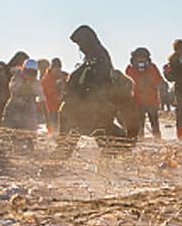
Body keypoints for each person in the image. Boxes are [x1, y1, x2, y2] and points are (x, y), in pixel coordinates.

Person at [57, 25, 139, 156]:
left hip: (77, 112)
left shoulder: (99, 58)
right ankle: (104, 169)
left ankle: (103, 169)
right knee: (117, 143)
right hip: (84, 112)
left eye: (81, 44)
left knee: (65, 148)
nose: (80, 48)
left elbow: (128, 119)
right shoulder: (94, 59)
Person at [2, 59, 44, 148]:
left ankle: (30, 143)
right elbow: (13, 88)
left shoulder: (35, 82)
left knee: (30, 125)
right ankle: (13, 145)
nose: (31, 75)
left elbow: (40, 94)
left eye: (33, 73)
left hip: (29, 107)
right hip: (15, 105)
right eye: (29, 72)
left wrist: (42, 101)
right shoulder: (17, 78)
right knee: (13, 126)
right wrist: (22, 82)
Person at [125, 47, 163, 139]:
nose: (141, 60)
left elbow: (159, 81)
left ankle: (157, 139)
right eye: (138, 58)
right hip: (136, 101)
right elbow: (126, 84)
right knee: (139, 123)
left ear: (147, 59)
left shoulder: (152, 68)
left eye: (143, 58)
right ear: (134, 59)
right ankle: (140, 139)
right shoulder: (130, 69)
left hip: (151, 101)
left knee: (154, 122)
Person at [40, 58, 67, 134]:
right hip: (50, 109)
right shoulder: (46, 79)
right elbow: (47, 93)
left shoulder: (64, 76)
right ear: (52, 68)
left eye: (59, 68)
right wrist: (58, 88)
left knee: (62, 130)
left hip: (61, 109)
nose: (57, 71)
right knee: (52, 130)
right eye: (56, 68)